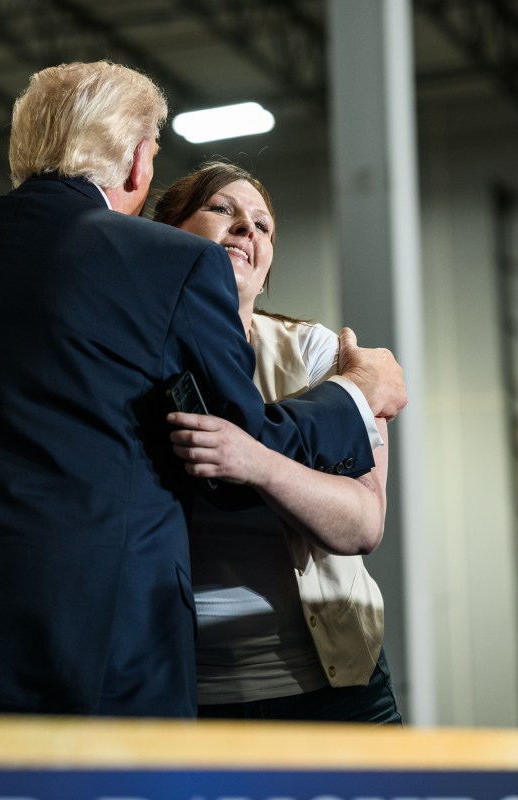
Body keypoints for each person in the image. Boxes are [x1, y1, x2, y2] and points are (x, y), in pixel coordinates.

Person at [0, 60, 405, 719]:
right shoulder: (169, 265)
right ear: (137, 163)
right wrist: (356, 393)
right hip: (82, 647)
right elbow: (232, 458)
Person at [153, 162, 401, 723]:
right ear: (165, 237)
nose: (247, 228)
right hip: (192, 691)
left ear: (265, 273)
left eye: (263, 226)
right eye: (222, 210)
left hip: (335, 687)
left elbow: (363, 524)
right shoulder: (131, 356)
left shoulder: (321, 357)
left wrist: (257, 463)